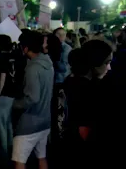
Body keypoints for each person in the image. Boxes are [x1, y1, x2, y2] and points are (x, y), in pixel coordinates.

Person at [63, 40, 113, 169]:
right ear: (94, 63)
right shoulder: (88, 89)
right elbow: (84, 129)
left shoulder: (70, 81)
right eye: (106, 63)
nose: (109, 68)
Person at [12, 31, 54, 169]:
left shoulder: (32, 68)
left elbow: (32, 98)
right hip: (45, 120)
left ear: (25, 47)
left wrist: (15, 104)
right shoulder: (48, 63)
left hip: (30, 123)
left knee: (19, 161)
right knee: (41, 157)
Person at [0, 34, 17, 166]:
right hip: (13, 93)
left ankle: (4, 153)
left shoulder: (3, 58)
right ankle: (11, 148)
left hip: (4, 94)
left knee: (1, 124)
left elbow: (2, 79)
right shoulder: (14, 56)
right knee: (8, 123)